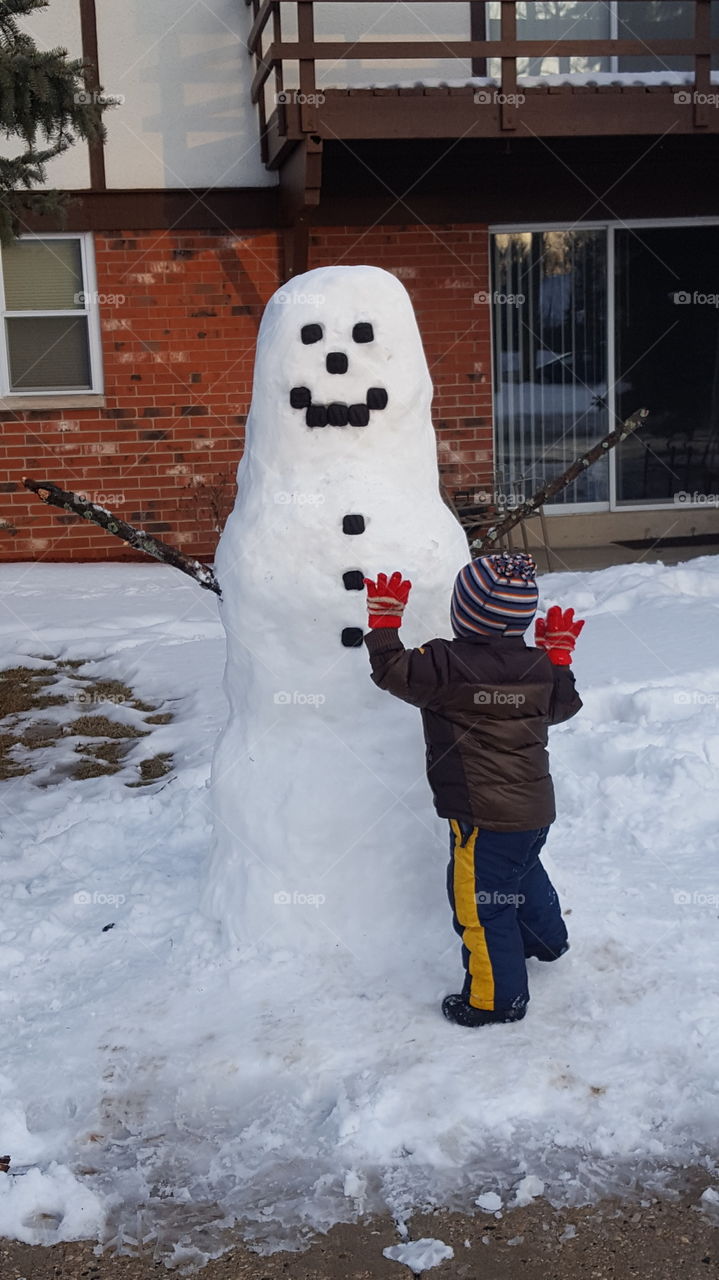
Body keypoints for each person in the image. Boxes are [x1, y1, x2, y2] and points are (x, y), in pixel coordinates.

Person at [363, 553, 583, 1028]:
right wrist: (559, 659)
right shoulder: (538, 666)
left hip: (483, 817)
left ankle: (494, 1001)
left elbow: (393, 672)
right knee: (519, 875)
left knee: (481, 907)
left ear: (463, 613)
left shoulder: (447, 663)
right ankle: (545, 940)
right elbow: (564, 706)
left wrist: (383, 624)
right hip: (534, 810)